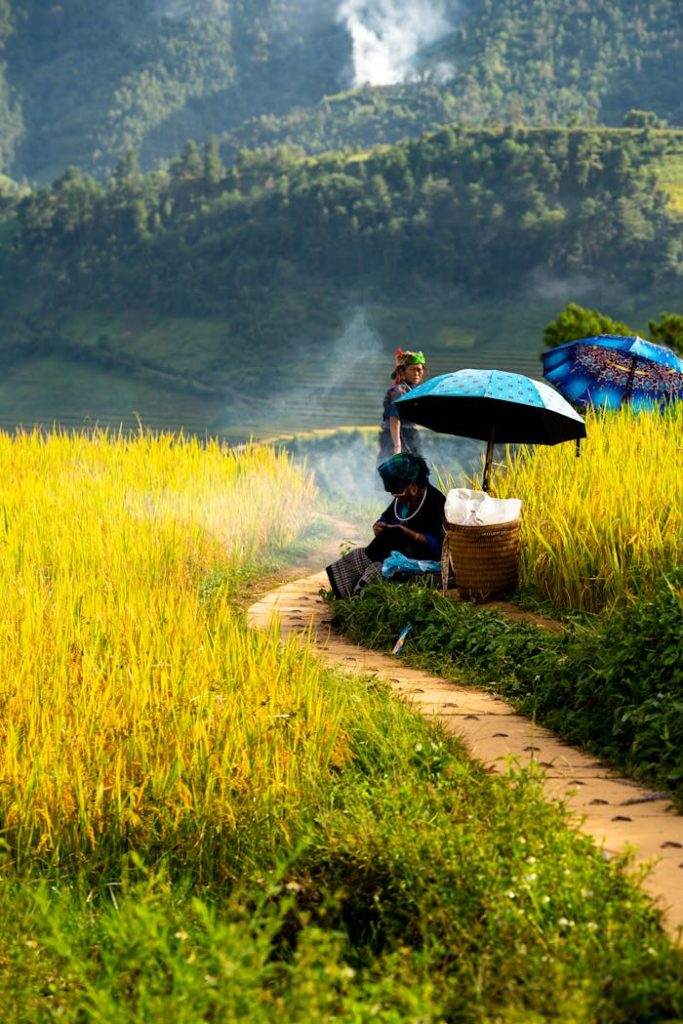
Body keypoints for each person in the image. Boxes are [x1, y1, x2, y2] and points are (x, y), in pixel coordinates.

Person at [325, 452, 446, 599]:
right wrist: (378, 525)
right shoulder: (402, 499)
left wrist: (408, 533)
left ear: (412, 485)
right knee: (356, 555)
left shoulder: (436, 502)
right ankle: (344, 596)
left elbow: (439, 545)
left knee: (376, 568)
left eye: (397, 492)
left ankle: (357, 601)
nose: (394, 496)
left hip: (422, 557)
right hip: (394, 550)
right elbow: (386, 516)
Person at [378, 349, 426, 464]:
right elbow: (395, 417)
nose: (417, 373)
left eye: (419, 369)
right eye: (412, 369)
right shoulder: (400, 391)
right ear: (403, 372)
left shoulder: (415, 390)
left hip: (410, 436)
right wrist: (397, 446)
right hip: (397, 437)